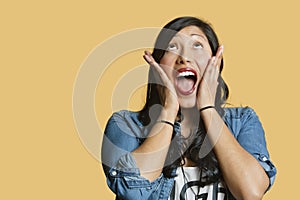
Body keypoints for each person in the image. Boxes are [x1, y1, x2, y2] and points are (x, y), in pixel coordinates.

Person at [101, 16, 276, 200]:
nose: (184, 58)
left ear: (215, 62)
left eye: (197, 45)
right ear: (157, 66)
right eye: (172, 47)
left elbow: (251, 192)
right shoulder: (125, 125)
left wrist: (208, 108)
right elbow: (132, 192)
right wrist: (168, 110)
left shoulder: (242, 121)